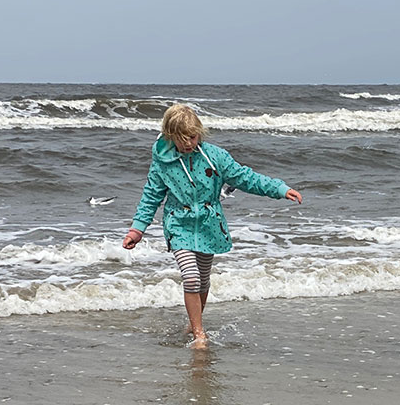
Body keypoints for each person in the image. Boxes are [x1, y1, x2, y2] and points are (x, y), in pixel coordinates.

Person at [122, 104, 302, 347]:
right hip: (179, 224)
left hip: (209, 224)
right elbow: (151, 196)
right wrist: (137, 229)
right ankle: (199, 334)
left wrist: (280, 189)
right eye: (181, 139)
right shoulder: (162, 163)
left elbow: (246, 177)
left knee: (203, 280)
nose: (188, 143)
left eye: (193, 137)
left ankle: (194, 324)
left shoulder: (216, 156)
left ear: (200, 132)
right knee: (192, 277)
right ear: (169, 136)